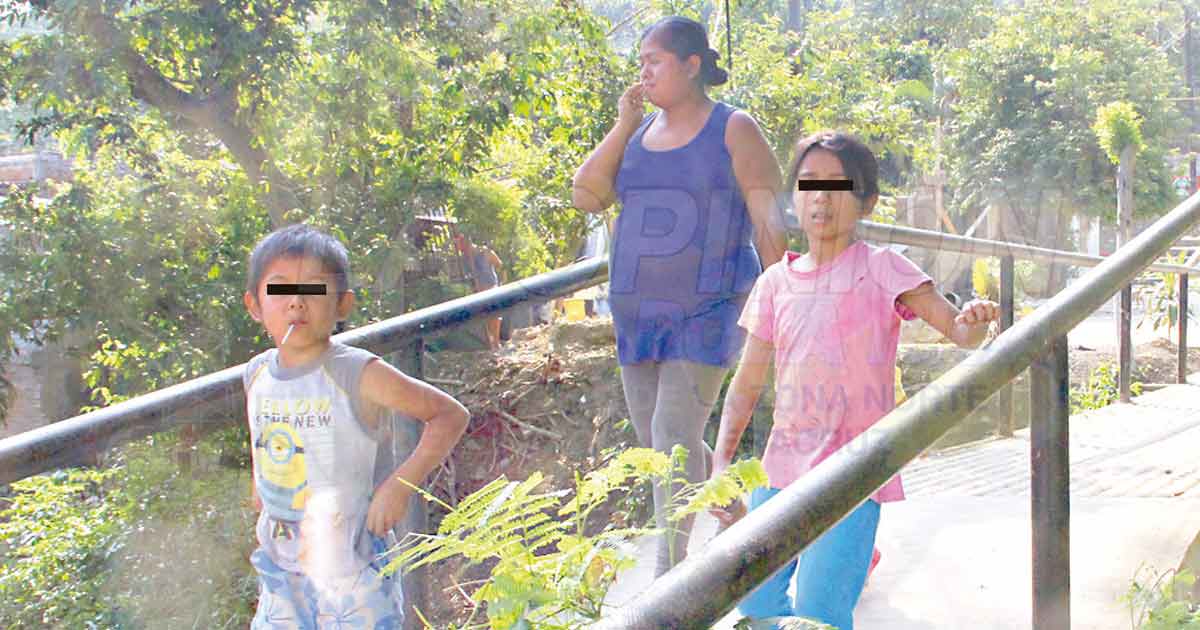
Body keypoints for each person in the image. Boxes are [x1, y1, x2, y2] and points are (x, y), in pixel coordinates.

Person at [709, 131, 1000, 630]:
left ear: (866, 202)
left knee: (820, 614)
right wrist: (721, 464)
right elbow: (747, 384)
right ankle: (853, 557)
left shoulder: (883, 268)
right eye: (808, 184)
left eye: (836, 185)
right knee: (754, 607)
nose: (821, 197)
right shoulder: (775, 284)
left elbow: (956, 330)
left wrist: (974, 322)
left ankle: (850, 551)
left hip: (853, 475)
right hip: (780, 471)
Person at [571, 15, 788, 575]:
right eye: (640, 62)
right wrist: (622, 125)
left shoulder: (734, 128)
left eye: (655, 62)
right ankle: (735, 510)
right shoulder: (639, 135)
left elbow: (767, 220)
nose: (643, 72)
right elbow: (586, 196)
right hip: (638, 313)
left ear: (692, 66)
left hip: (709, 309)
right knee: (659, 445)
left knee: (671, 439)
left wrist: (784, 305)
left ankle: (671, 579)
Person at [241, 224, 469, 628]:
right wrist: (261, 490)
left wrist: (400, 486)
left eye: (314, 289)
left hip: (356, 572)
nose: (296, 303)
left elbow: (449, 415)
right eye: (278, 289)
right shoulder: (257, 374)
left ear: (342, 304)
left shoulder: (357, 372)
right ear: (255, 305)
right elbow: (266, 438)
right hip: (284, 574)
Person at [455, 234, 505, 350]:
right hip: (478, 292)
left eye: (458, 244)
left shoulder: (485, 252)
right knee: (484, 318)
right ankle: (490, 343)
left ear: (464, 242)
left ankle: (496, 343)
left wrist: (502, 285)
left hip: (491, 288)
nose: (457, 247)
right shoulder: (464, 258)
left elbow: (501, 266)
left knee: (495, 316)